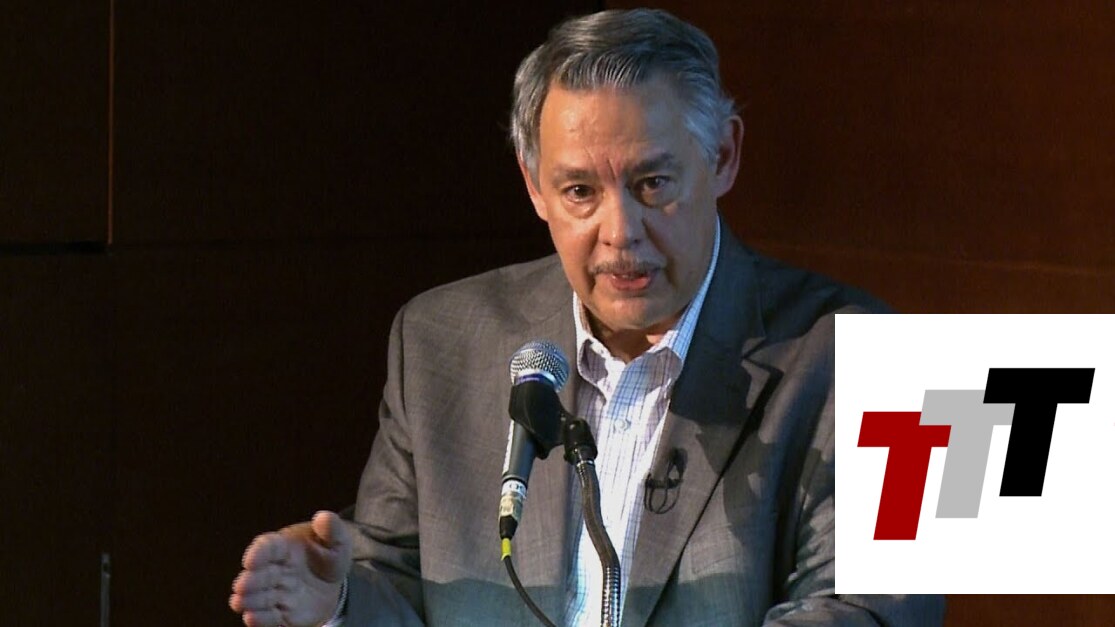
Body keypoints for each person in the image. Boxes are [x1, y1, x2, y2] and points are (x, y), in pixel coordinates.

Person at [230, 8, 944, 626]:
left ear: (723, 155)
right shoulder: (436, 340)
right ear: (533, 185)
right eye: (579, 191)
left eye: (652, 183)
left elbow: (873, 611)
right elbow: (403, 583)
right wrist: (338, 599)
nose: (619, 231)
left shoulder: (883, 361)